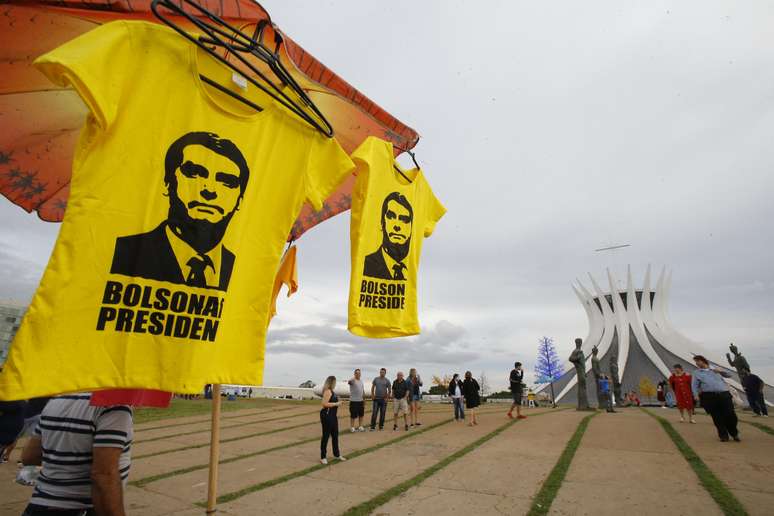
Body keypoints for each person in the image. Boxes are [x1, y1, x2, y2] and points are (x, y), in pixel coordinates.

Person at [110, 131, 251, 291]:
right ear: (167, 182)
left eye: (227, 181)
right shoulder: (122, 252)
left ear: (239, 200)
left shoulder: (243, 272)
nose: (209, 190)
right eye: (194, 173)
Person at [20, 393, 133, 515]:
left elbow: (29, 457)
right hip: (82, 508)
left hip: (39, 505)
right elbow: (103, 475)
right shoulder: (113, 406)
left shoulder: (56, 400)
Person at [363, 192, 413, 281]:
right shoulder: (366, 264)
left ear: (412, 228)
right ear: (382, 222)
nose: (397, 226)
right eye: (391, 216)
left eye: (404, 219)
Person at [692, 355, 740, 442]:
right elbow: (694, 385)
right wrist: (695, 395)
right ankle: (723, 436)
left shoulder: (715, 369)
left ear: (703, 361)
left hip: (724, 395)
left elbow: (729, 375)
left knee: (731, 415)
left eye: (698, 361)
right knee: (717, 417)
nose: (697, 363)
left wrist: (721, 371)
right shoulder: (697, 373)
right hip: (709, 396)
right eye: (696, 362)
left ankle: (734, 433)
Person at [319, 376, 346, 465]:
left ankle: (337, 454)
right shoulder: (327, 391)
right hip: (327, 415)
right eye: (335, 382)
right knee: (326, 436)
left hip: (333, 416)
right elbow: (324, 404)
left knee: (335, 435)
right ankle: (323, 457)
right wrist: (336, 403)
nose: (335, 384)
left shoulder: (332, 392)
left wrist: (339, 403)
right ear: (331, 382)